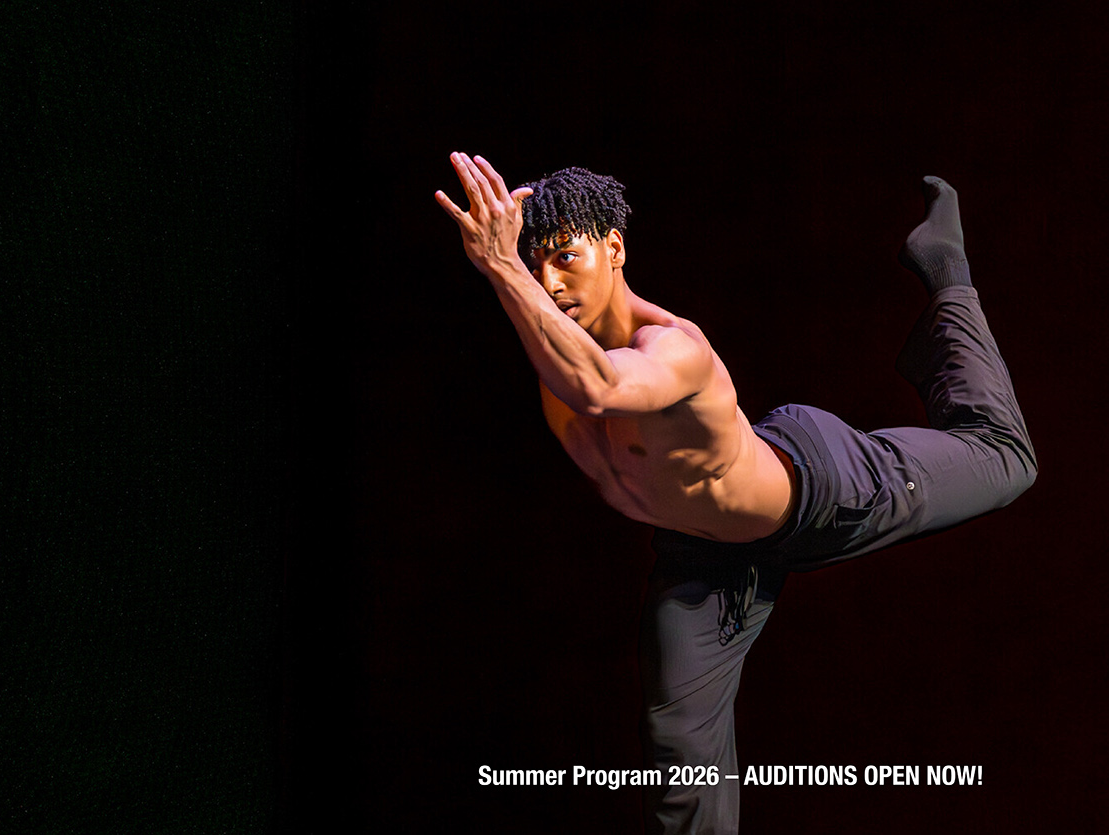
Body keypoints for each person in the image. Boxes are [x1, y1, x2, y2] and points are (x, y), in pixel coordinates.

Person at [436, 152, 1037, 834]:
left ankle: (947, 274)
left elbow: (601, 385)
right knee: (680, 760)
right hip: (705, 558)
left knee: (1006, 459)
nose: (549, 281)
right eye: (533, 263)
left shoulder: (671, 348)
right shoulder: (554, 348)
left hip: (821, 489)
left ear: (615, 247)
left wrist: (502, 265)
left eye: (565, 257)